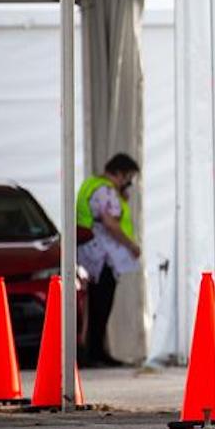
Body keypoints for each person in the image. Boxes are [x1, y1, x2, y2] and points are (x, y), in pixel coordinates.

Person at [76, 153, 141, 366]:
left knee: (95, 305)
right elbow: (111, 224)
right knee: (101, 305)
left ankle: (96, 351)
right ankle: (94, 353)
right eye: (129, 177)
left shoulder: (91, 184)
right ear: (120, 174)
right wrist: (131, 245)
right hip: (101, 257)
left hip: (90, 254)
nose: (129, 182)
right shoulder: (106, 191)